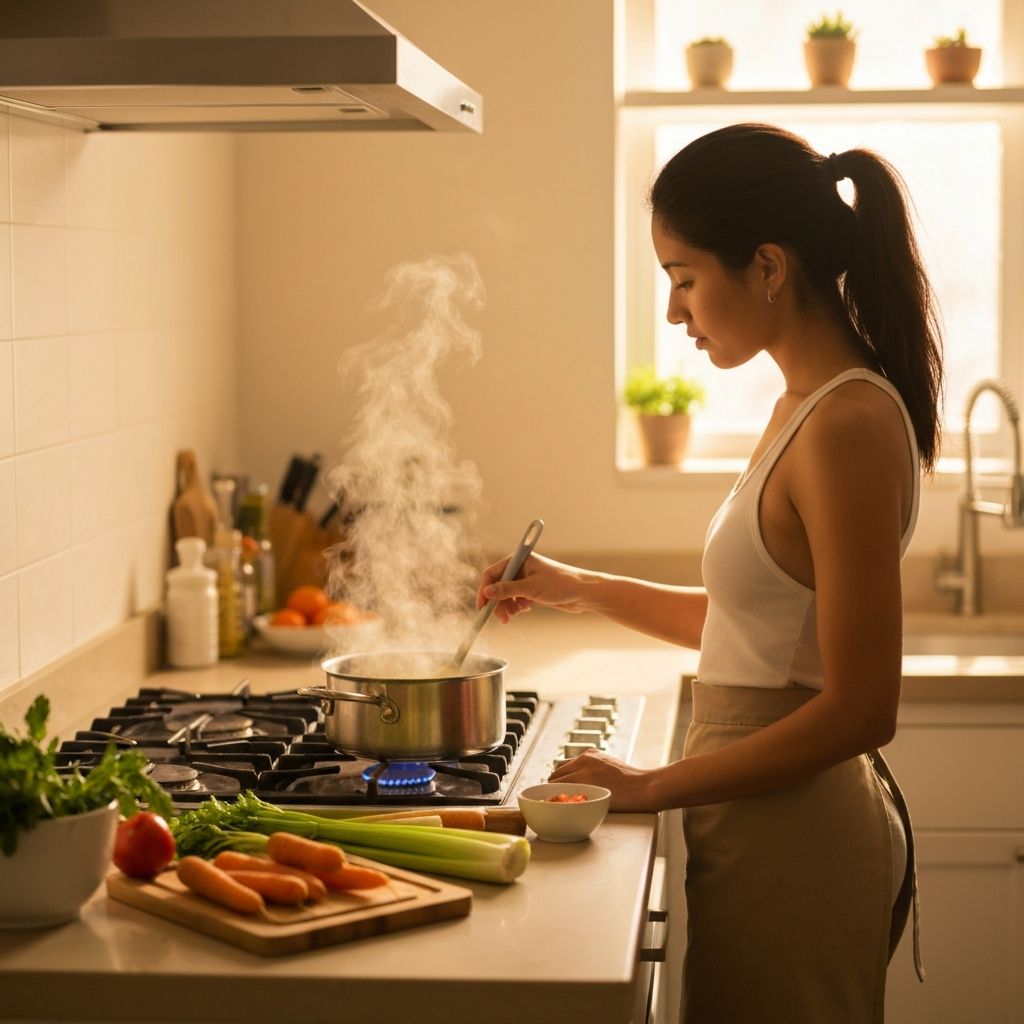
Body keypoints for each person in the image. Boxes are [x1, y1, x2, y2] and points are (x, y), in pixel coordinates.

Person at [476, 123, 942, 1023]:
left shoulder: (845, 424)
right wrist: (578, 587)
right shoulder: (803, 405)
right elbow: (758, 631)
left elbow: (861, 708)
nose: (673, 312)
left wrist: (646, 785)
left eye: (684, 279)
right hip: (758, 816)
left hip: (799, 839)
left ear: (767, 267)